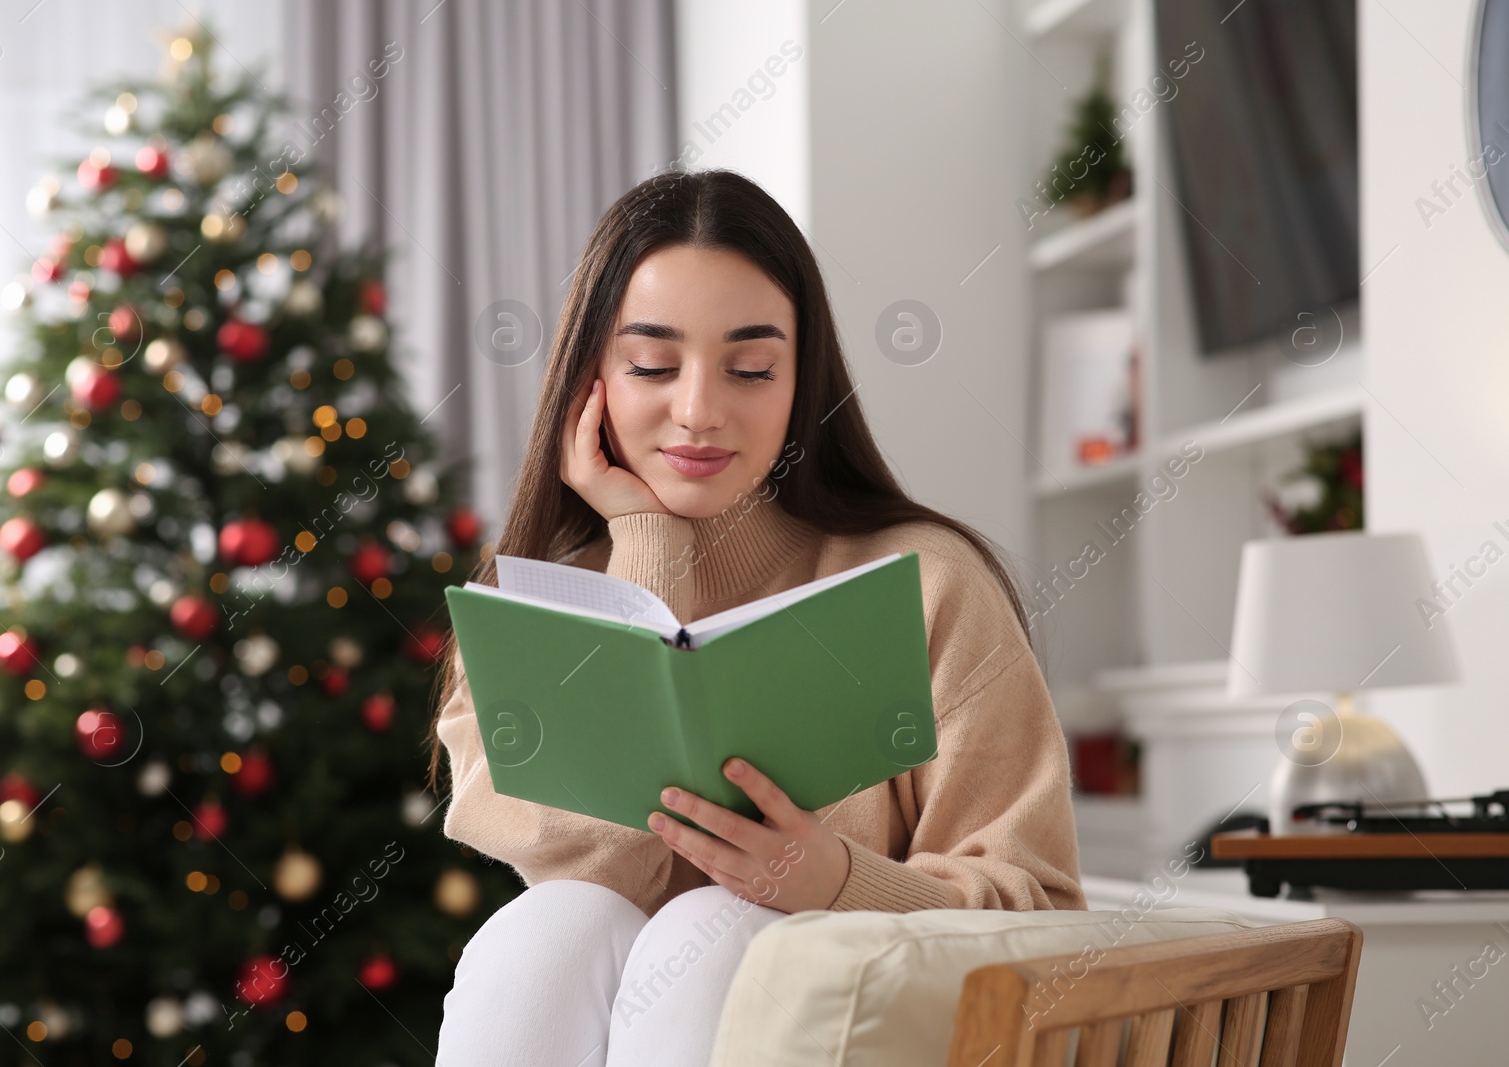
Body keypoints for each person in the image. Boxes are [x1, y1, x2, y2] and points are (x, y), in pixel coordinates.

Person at [429, 168, 1084, 1066]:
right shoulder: (532, 606)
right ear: (592, 382)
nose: (698, 410)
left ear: (800, 381)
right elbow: (583, 873)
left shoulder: (926, 580)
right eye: (653, 364)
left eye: (750, 368)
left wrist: (834, 882)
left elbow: (1041, 909)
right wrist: (648, 544)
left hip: (879, 1033)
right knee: (550, 929)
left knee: (718, 928)